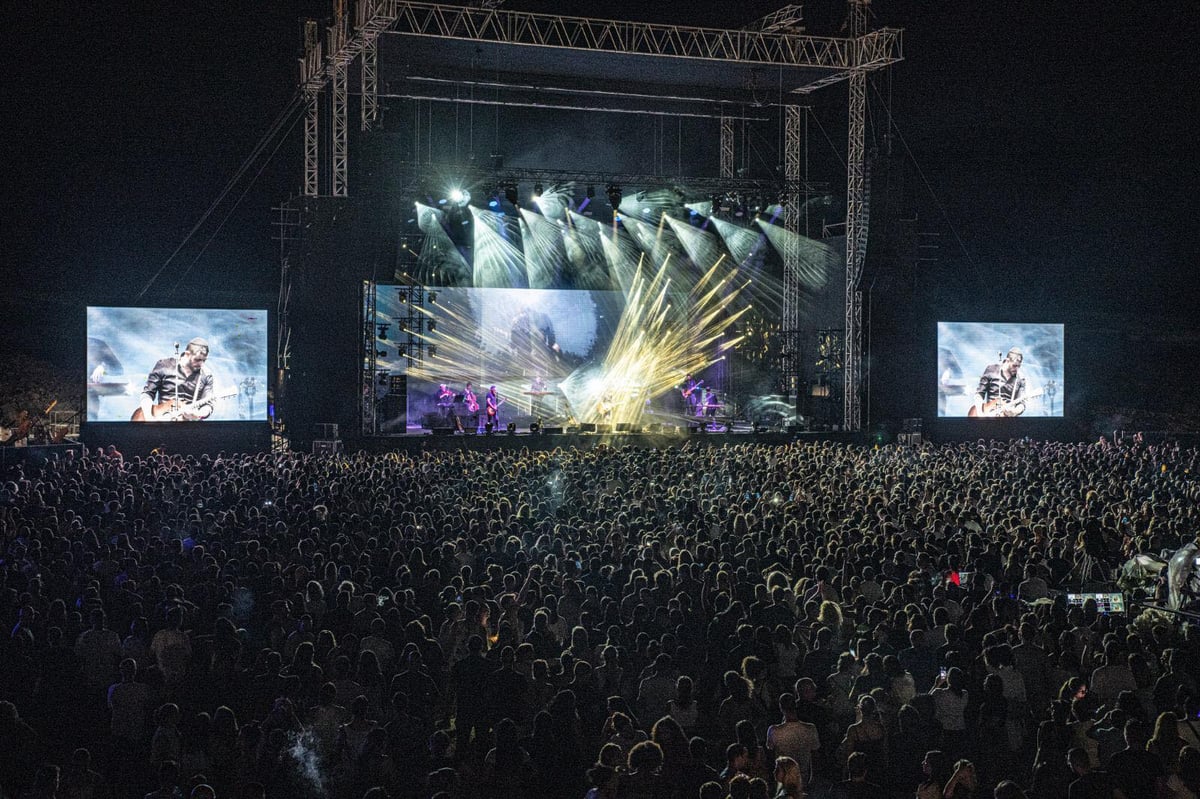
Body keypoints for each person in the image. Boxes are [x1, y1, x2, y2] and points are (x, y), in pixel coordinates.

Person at [137, 338, 216, 421]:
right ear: (187, 354)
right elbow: (147, 393)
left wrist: (198, 415)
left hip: (190, 427)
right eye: (197, 360)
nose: (201, 364)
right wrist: (148, 417)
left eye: (204, 360)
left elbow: (208, 404)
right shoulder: (164, 365)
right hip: (162, 423)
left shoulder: (206, 375)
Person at [970, 347, 1026, 417]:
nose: (1016, 369)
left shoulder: (1020, 378)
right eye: (1014, 366)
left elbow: (1021, 403)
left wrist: (1015, 412)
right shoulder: (991, 370)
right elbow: (979, 394)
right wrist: (980, 413)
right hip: (988, 415)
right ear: (1007, 360)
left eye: (1019, 366)